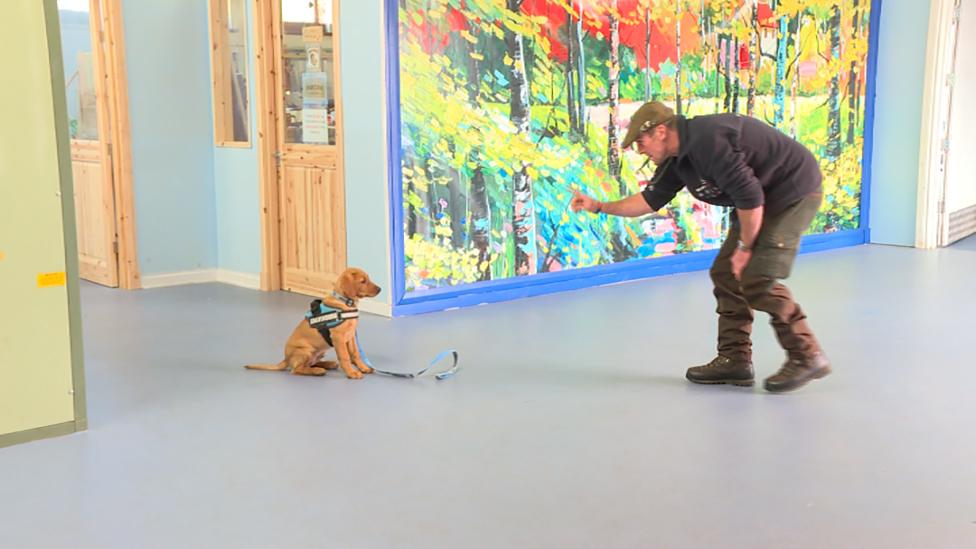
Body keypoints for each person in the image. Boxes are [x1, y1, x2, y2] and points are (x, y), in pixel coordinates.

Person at [571, 101, 830, 393]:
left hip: (791, 192)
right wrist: (598, 206)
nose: (639, 150)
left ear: (660, 131)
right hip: (759, 201)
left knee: (757, 276)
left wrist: (745, 249)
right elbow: (648, 201)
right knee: (725, 273)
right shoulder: (678, 159)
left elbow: (750, 197)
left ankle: (807, 354)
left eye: (640, 142)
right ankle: (735, 359)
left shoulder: (709, 140)